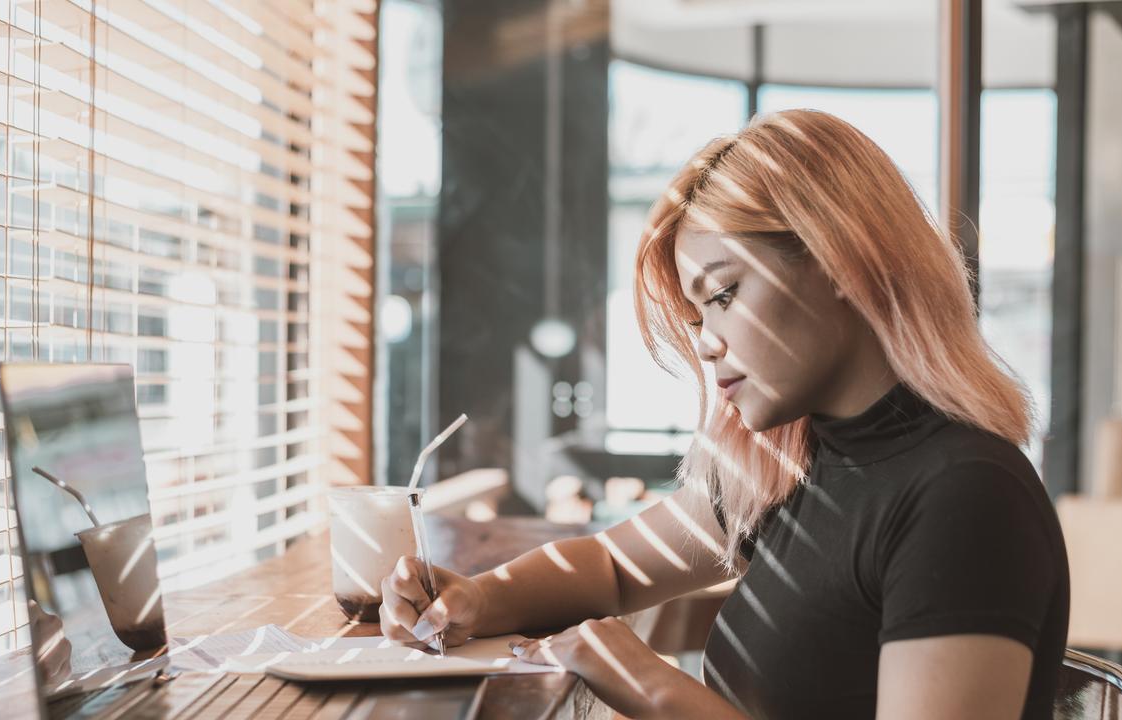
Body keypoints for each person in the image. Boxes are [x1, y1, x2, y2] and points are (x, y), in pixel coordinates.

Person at [380, 109, 1069, 719]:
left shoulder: (966, 500)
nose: (706, 342)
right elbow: (613, 568)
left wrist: (653, 688)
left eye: (724, 294)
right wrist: (474, 598)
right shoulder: (792, 461)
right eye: (697, 310)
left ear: (837, 257)